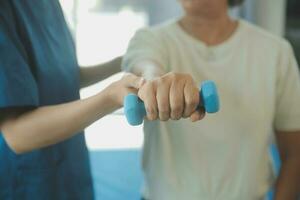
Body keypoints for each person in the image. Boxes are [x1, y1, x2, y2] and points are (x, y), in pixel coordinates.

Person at [122, 0, 300, 199]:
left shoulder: (276, 52)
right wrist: (155, 82)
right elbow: (145, 65)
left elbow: (294, 154)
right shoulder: (149, 39)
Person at [0, 1, 147, 199]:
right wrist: (110, 96)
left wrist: (122, 62)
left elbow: (63, 77)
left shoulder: (50, 6)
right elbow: (16, 134)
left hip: (71, 174)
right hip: (29, 184)